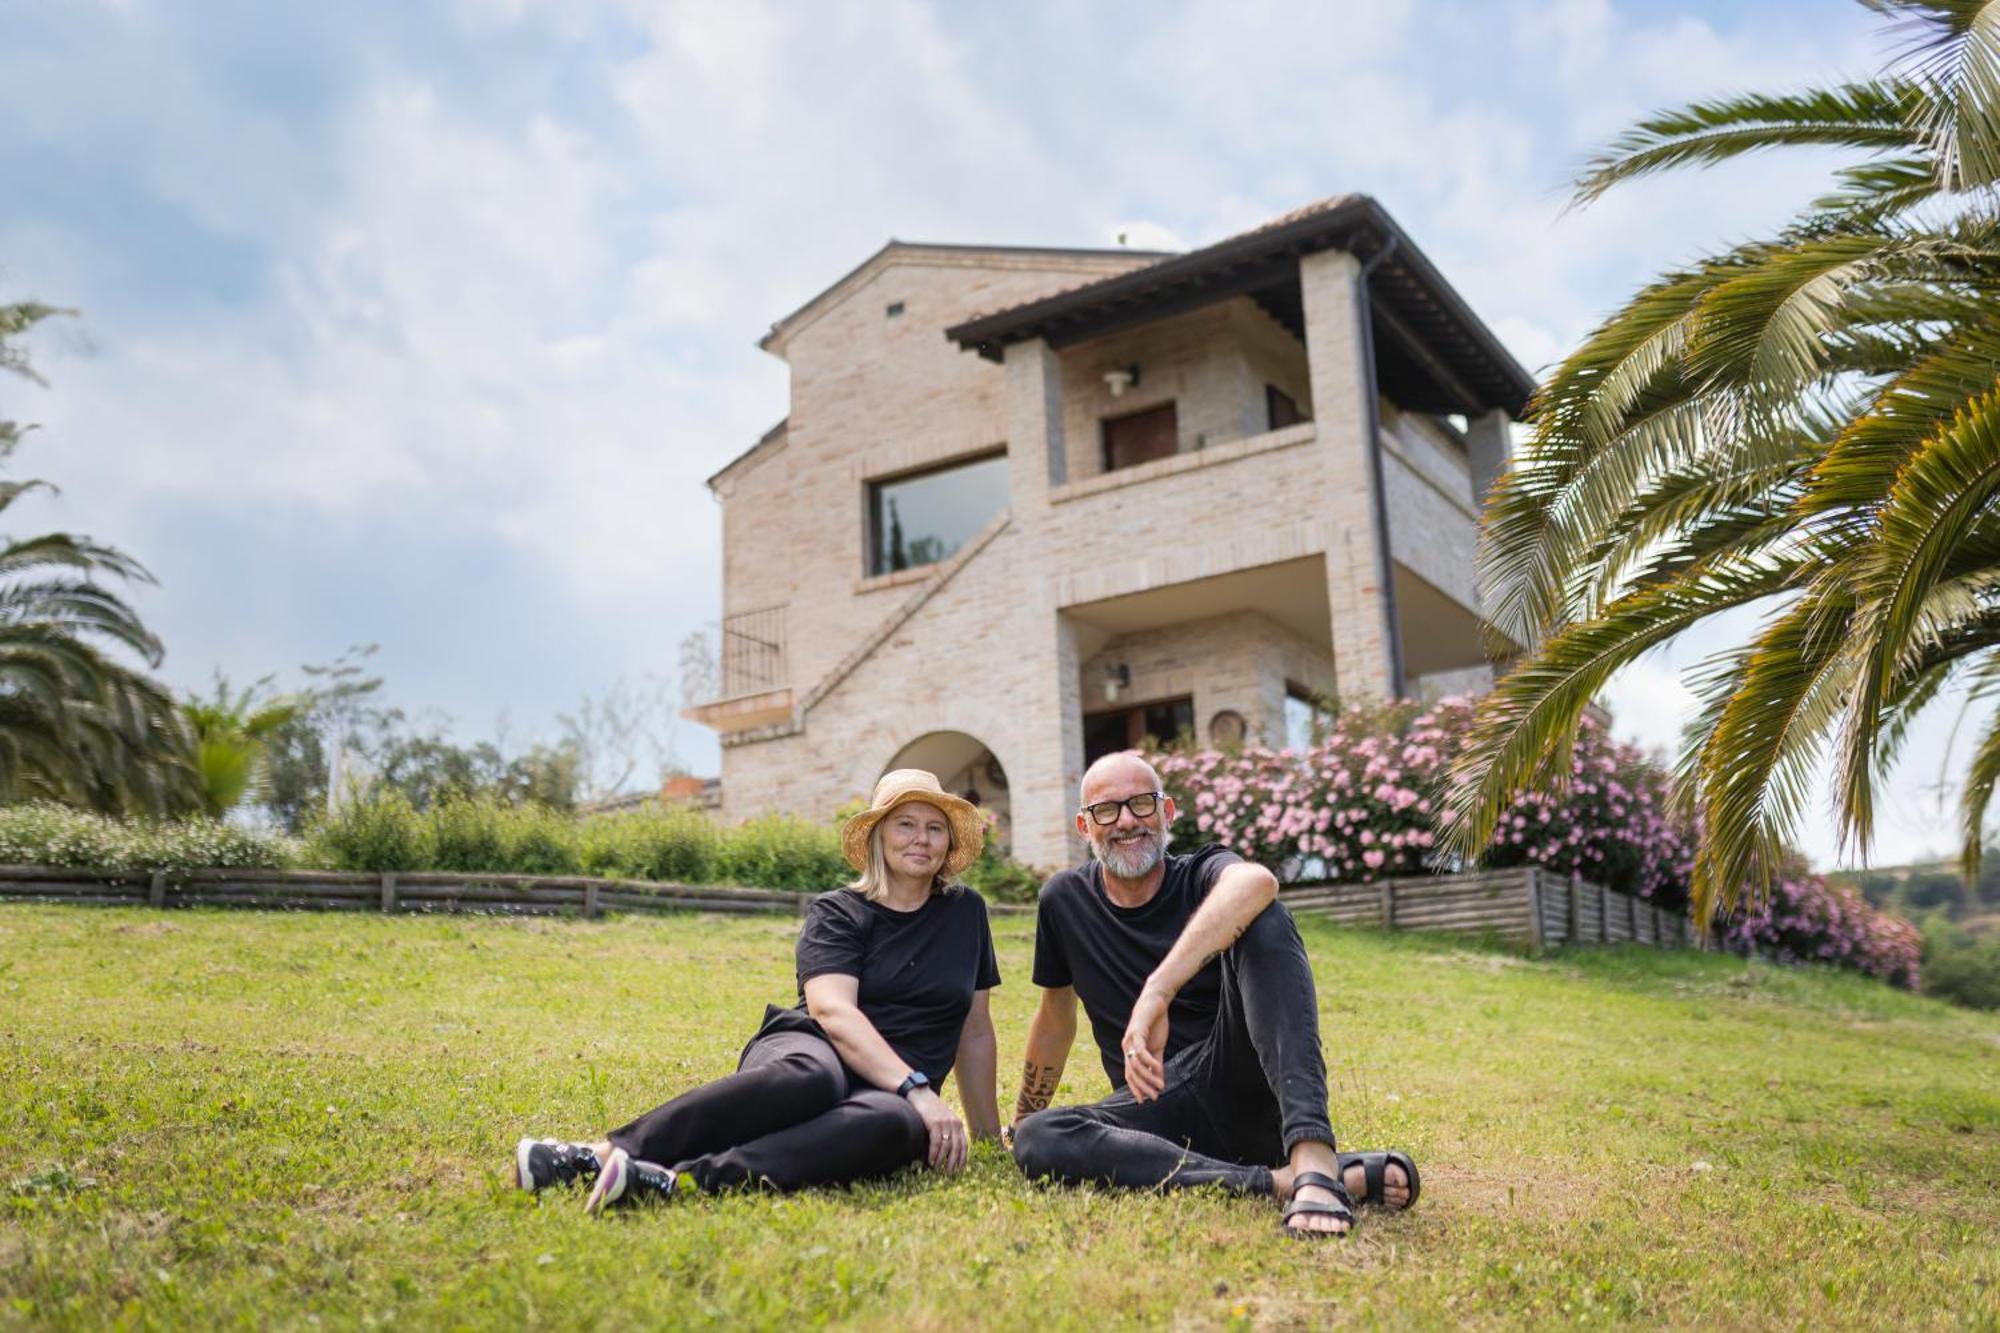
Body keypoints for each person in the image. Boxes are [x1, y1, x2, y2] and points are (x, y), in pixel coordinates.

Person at [509, 769, 1002, 1212]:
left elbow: (974, 1031)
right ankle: (597, 1156)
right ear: (878, 836)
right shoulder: (839, 911)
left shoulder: (966, 913)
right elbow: (833, 1012)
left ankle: (673, 1184)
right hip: (815, 1047)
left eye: (934, 827)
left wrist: (985, 1140)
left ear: (948, 843)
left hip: (893, 1094)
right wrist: (918, 1089)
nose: (921, 839)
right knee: (809, 1079)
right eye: (906, 824)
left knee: (893, 1127)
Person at [1007, 752, 1419, 1238]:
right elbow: (1055, 1020)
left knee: (1264, 917)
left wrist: (1156, 993)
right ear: (1084, 825)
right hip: (1153, 1109)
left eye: (1141, 804)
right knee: (1041, 1139)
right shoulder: (1063, 900)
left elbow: (1257, 881)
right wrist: (1021, 1122)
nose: (1126, 821)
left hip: (1240, 1083)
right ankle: (1281, 1181)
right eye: (1106, 810)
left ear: (1168, 811)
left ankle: (1314, 1158)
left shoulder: (1202, 873)